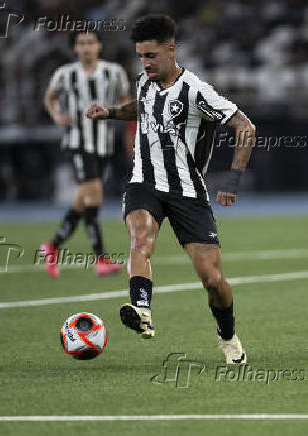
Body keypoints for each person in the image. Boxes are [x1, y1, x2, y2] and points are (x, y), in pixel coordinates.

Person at [86, 15, 256, 364]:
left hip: (188, 191)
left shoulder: (196, 91)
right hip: (144, 182)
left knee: (212, 280)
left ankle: (228, 336)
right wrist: (111, 113)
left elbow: (246, 127)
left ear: (171, 50)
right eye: (141, 56)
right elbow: (141, 105)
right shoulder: (144, 81)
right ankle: (142, 311)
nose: (145, 63)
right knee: (140, 240)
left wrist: (233, 179)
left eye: (151, 56)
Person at [42, 30, 130, 277]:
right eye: (81, 43)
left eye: (91, 42)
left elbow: (126, 102)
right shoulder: (65, 73)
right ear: (75, 48)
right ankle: (101, 259)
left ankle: (52, 247)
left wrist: (113, 110)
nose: (87, 47)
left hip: (103, 145)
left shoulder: (114, 72)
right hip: (78, 143)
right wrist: (57, 114)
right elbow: (50, 98)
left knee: (82, 204)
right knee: (95, 199)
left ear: (99, 45)